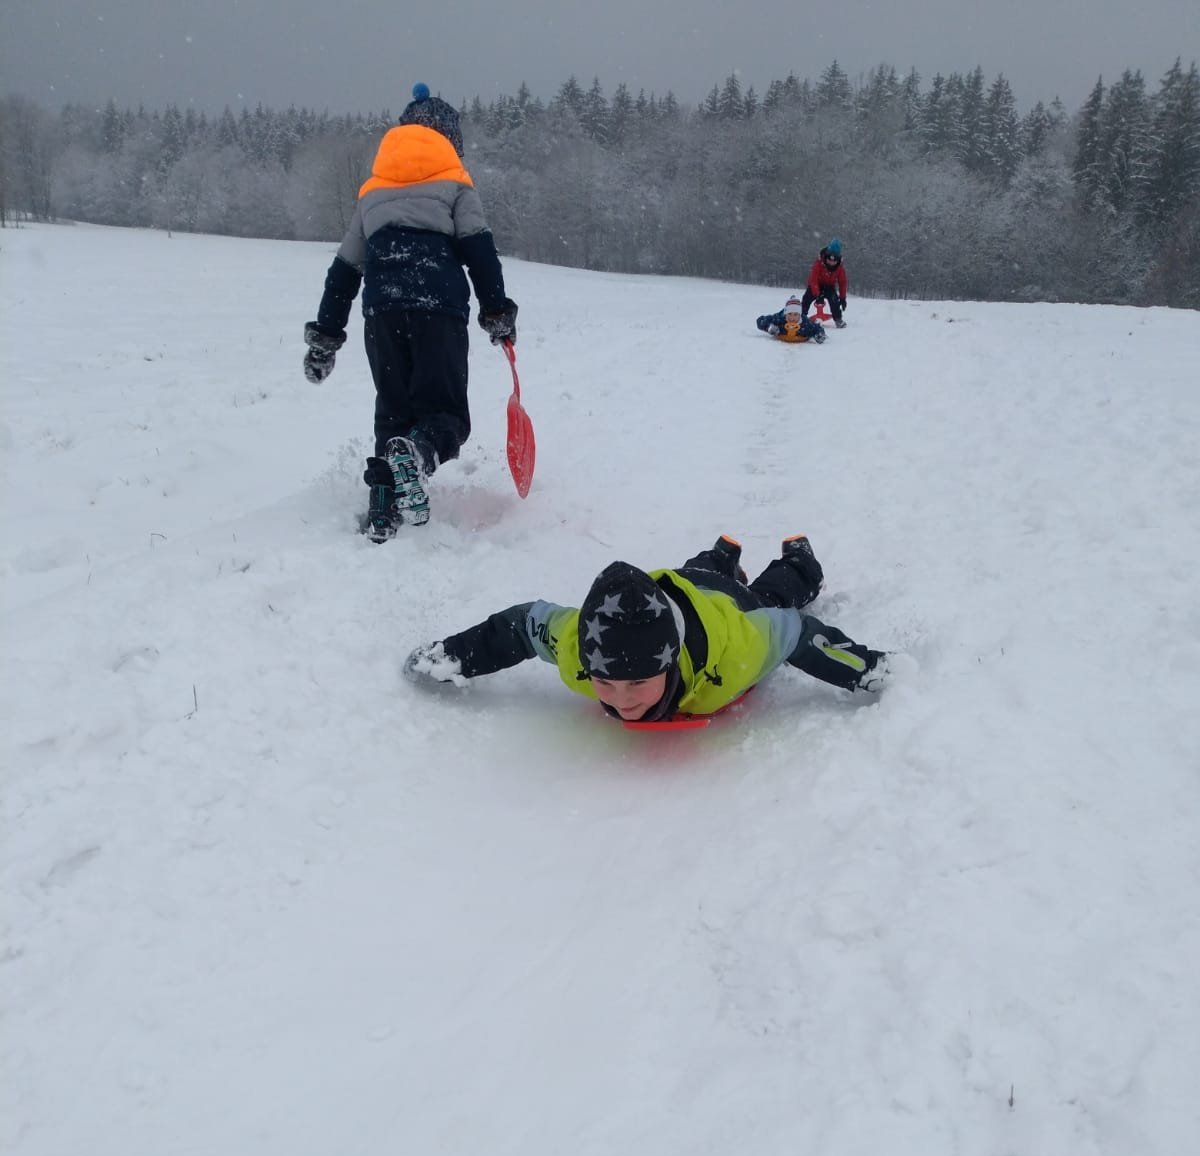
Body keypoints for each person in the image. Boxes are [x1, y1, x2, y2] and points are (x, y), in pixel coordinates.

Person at [301, 84, 519, 540]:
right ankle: (417, 455)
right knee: (446, 415)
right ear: (450, 140)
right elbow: (480, 251)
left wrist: (325, 338)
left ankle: (383, 507)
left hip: (382, 312)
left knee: (393, 411)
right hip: (438, 308)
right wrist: (497, 311)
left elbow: (344, 270)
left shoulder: (373, 193)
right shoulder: (456, 184)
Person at [405, 535, 888, 722]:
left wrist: (869, 669)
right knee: (695, 568)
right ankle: (720, 554)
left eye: (637, 681)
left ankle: (799, 559)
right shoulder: (577, 648)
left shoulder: (736, 655)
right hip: (669, 586)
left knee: (773, 594)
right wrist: (450, 656)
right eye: (606, 681)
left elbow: (795, 631)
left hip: (729, 608)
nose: (621, 698)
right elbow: (521, 624)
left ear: (669, 663)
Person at [801, 240, 848, 329]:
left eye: (834, 260)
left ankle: (838, 319)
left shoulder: (840, 268)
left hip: (829, 287)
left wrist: (842, 298)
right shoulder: (818, 264)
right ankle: (801, 317)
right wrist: (817, 294)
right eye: (829, 259)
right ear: (826, 256)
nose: (831, 262)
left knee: (835, 301)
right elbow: (813, 279)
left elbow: (843, 282)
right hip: (816, 285)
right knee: (806, 299)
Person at [756, 294, 826, 344]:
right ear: (786, 314)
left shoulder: (805, 324)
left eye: (795, 314)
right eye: (789, 314)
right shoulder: (779, 319)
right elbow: (760, 320)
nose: (792, 318)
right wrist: (769, 327)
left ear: (800, 315)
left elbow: (818, 328)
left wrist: (819, 335)